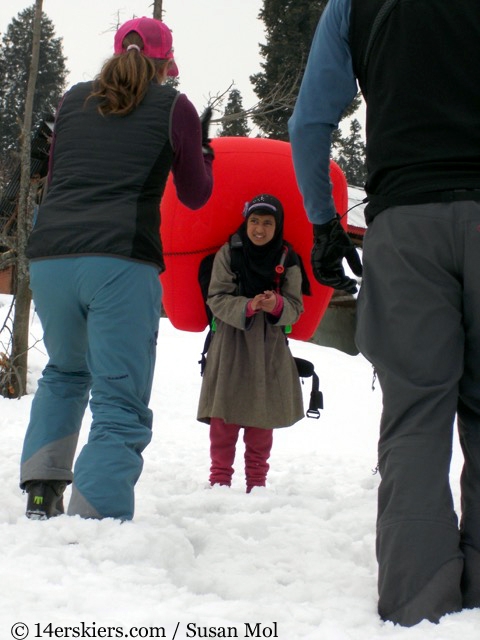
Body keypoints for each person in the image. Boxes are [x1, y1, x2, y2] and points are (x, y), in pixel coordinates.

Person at [288, 0, 480, 627]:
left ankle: (417, 603)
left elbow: (310, 123)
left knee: (416, 413)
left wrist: (323, 221)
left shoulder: (354, 4)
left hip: (404, 223)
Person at [20, 17, 214, 521]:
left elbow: (58, 173)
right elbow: (195, 195)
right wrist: (203, 154)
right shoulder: (175, 106)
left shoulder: (72, 100)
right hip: (119, 261)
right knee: (119, 394)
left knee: (64, 372)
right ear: (164, 64)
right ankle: (98, 518)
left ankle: (42, 489)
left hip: (51, 257)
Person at [197, 194, 306, 492]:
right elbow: (215, 297)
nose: (259, 229)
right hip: (231, 339)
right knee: (224, 416)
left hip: (268, 344)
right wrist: (247, 305)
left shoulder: (288, 259)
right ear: (246, 222)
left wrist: (276, 304)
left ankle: (256, 484)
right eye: (254, 221)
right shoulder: (228, 253)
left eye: (267, 223)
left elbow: (296, 306)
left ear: (277, 225)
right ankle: (220, 480)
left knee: (262, 415)